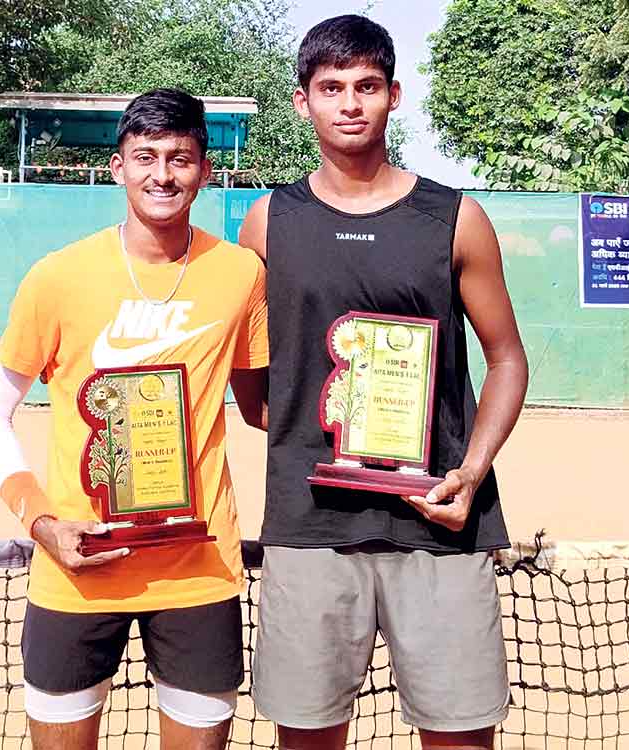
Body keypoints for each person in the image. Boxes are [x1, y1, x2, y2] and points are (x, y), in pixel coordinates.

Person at [232, 15, 529, 750]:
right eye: (331, 88)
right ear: (302, 102)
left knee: (461, 737)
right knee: (305, 738)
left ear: (394, 95)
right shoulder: (269, 221)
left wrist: (469, 469)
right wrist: (323, 432)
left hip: (437, 524)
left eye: (366, 85)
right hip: (309, 528)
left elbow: (508, 359)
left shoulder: (456, 218)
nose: (350, 103)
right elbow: (251, 376)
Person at [0, 88, 269, 750]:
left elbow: (265, 406)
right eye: (146, 157)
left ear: (206, 170)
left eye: (181, 158)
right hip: (78, 567)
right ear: (117, 168)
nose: (162, 175)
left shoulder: (242, 274)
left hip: (199, 567)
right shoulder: (58, 277)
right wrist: (41, 522)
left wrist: (362, 409)